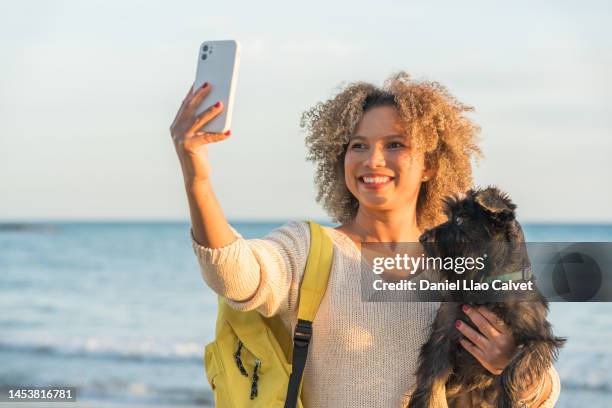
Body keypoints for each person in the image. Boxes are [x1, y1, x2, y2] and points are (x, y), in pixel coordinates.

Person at [170, 72, 561, 407]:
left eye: (395, 144)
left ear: (429, 165)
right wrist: (197, 177)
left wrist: (507, 362)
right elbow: (234, 275)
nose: (373, 160)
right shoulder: (310, 249)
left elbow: (542, 390)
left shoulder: (459, 266)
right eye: (358, 145)